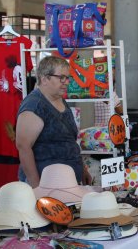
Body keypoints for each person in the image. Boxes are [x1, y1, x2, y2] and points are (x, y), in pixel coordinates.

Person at [16, 56, 91, 188]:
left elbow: (69, 140)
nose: (66, 82)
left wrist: (82, 169)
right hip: (46, 185)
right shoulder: (34, 105)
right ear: (44, 79)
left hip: (68, 183)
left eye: (67, 78)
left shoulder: (60, 99)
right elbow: (23, 147)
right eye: (61, 77)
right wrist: (37, 188)